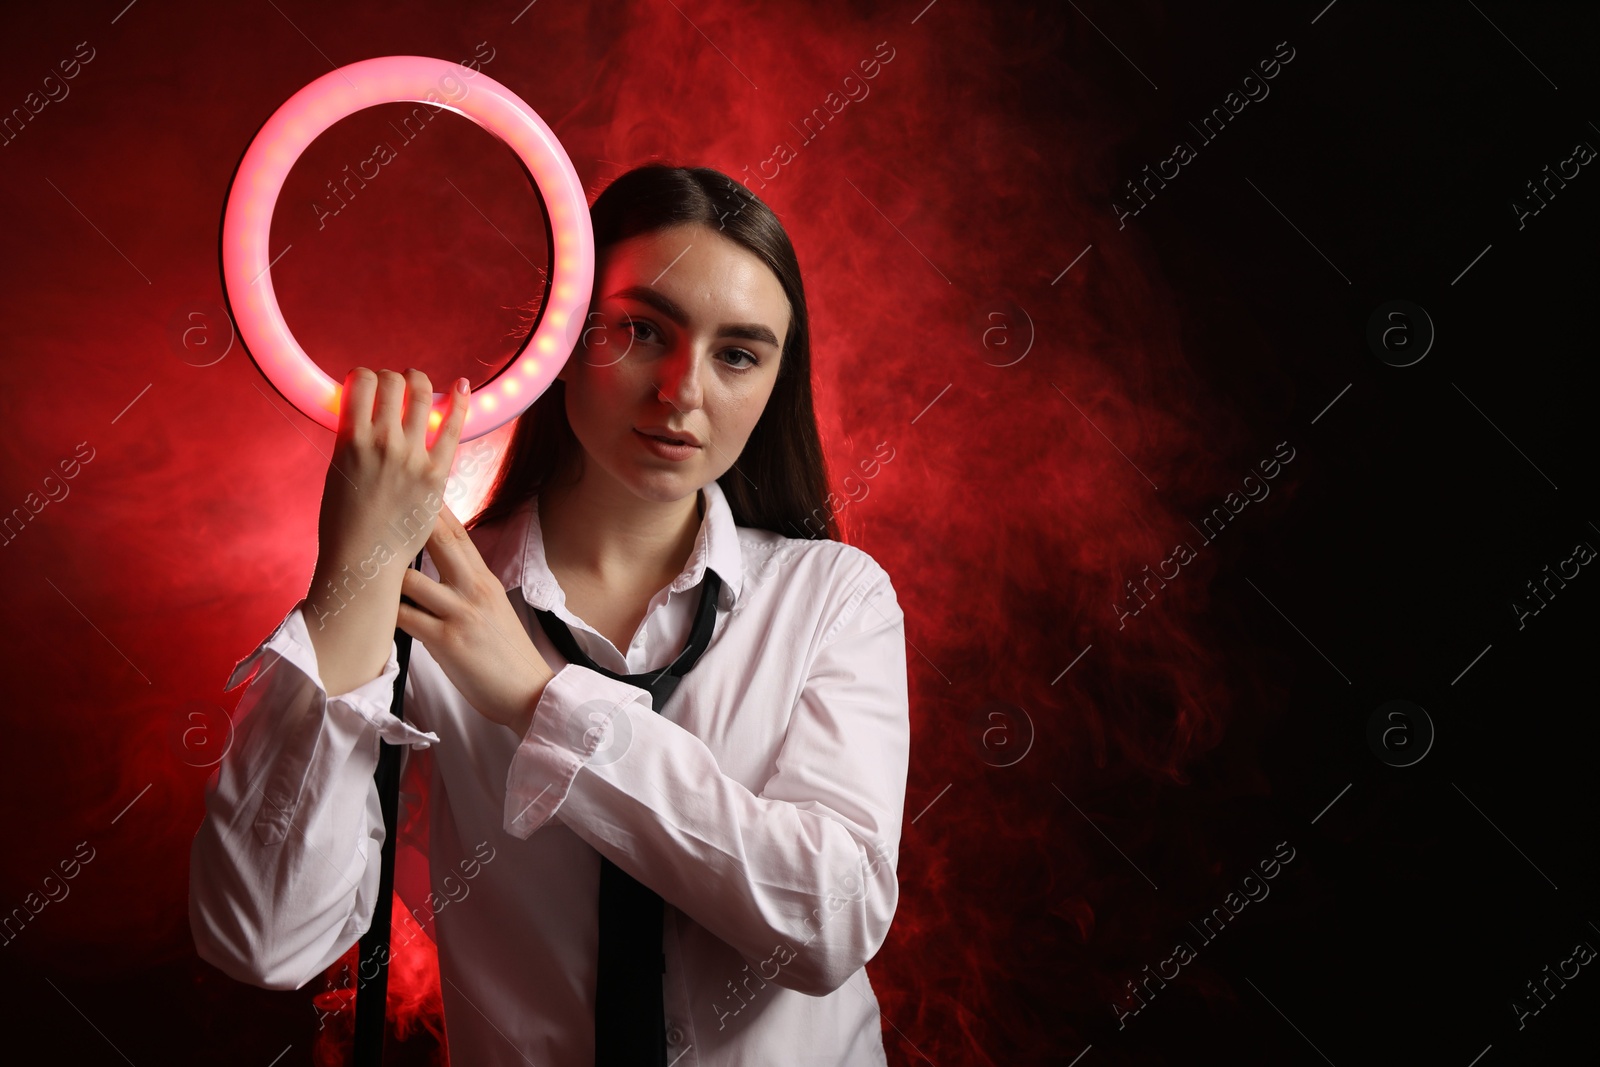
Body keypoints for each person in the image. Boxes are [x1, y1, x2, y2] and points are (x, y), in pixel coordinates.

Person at [188, 163, 911, 1066]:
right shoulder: (422, 602)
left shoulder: (834, 597)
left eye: (738, 352)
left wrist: (541, 701)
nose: (683, 390)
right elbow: (264, 938)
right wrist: (355, 572)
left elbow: (829, 923)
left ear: (774, 381)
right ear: (563, 335)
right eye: (644, 330)